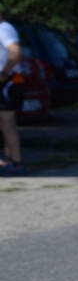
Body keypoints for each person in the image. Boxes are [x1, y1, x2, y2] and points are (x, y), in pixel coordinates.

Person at [0, 10, 26, 176]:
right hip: (7, 81)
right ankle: (9, 160)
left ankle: (17, 162)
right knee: (4, 123)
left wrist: (4, 73)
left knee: (7, 122)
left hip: (9, 81)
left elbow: (15, 52)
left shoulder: (4, 28)